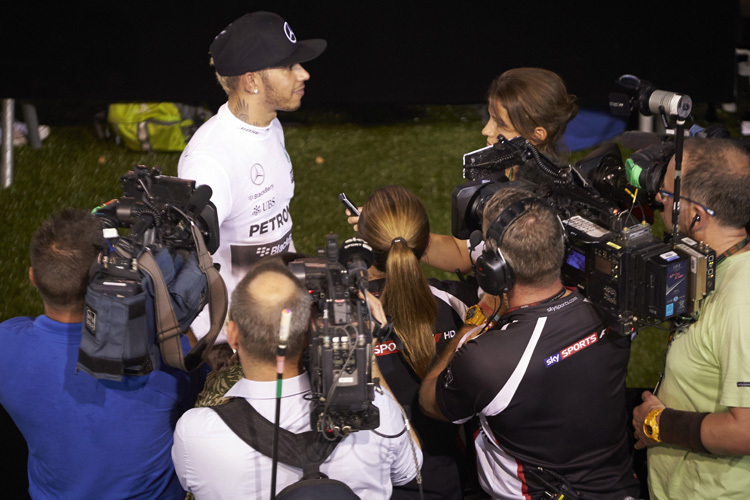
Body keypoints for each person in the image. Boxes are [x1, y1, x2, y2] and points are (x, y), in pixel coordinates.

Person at [419, 186, 640, 500]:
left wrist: (474, 323)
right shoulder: (617, 308)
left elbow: (430, 401)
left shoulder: (487, 360)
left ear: (495, 270)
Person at [172, 257, 422, 499]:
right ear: (308, 333)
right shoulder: (375, 410)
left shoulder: (195, 432)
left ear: (234, 335)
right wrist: (364, 357)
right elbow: (410, 469)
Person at [0, 208, 204, 499]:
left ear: (33, 277)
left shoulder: (6, 345)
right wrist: (170, 321)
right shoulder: (162, 357)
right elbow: (200, 391)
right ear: (102, 278)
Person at [178, 10, 326, 341]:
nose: (304, 74)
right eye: (289, 67)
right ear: (252, 81)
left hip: (276, 314)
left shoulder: (270, 125)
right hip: (237, 341)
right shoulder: (209, 163)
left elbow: (276, 226)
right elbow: (185, 264)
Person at [632, 137, 750, 498]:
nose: (658, 200)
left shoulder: (739, 303)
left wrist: (658, 424)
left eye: (668, 193)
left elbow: (746, 430)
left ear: (694, 215)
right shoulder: (720, 266)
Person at [357, 184, 483, 499]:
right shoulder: (463, 305)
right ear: (424, 243)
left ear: (364, 244)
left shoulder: (340, 319)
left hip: (367, 486)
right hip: (449, 484)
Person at [419, 67, 579, 275]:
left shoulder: (533, 211)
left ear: (536, 135)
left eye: (500, 123)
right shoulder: (506, 175)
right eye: (490, 117)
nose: (486, 130)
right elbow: (465, 254)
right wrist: (402, 237)